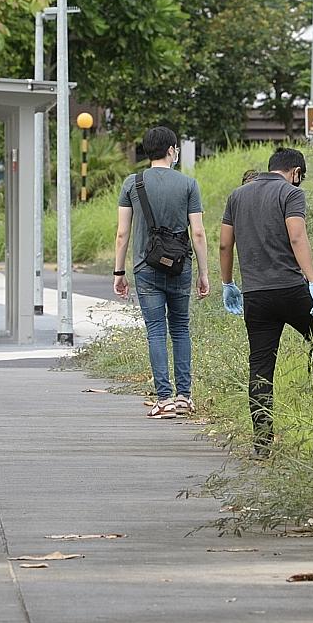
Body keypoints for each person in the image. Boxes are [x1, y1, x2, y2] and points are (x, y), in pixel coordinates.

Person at [218, 147, 313, 457]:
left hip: (255, 296)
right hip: (291, 290)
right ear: (295, 172)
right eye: (301, 178)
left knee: (260, 366)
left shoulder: (237, 196)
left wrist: (228, 283)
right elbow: (297, 237)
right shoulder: (290, 194)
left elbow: (224, 243)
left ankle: (263, 442)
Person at [113, 127, 210, 419]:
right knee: (180, 328)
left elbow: (122, 233)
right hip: (181, 267)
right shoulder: (189, 184)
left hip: (146, 267)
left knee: (156, 330)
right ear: (171, 150)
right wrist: (204, 273)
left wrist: (119, 271)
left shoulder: (133, 183)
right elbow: (199, 233)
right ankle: (184, 398)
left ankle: (164, 399)